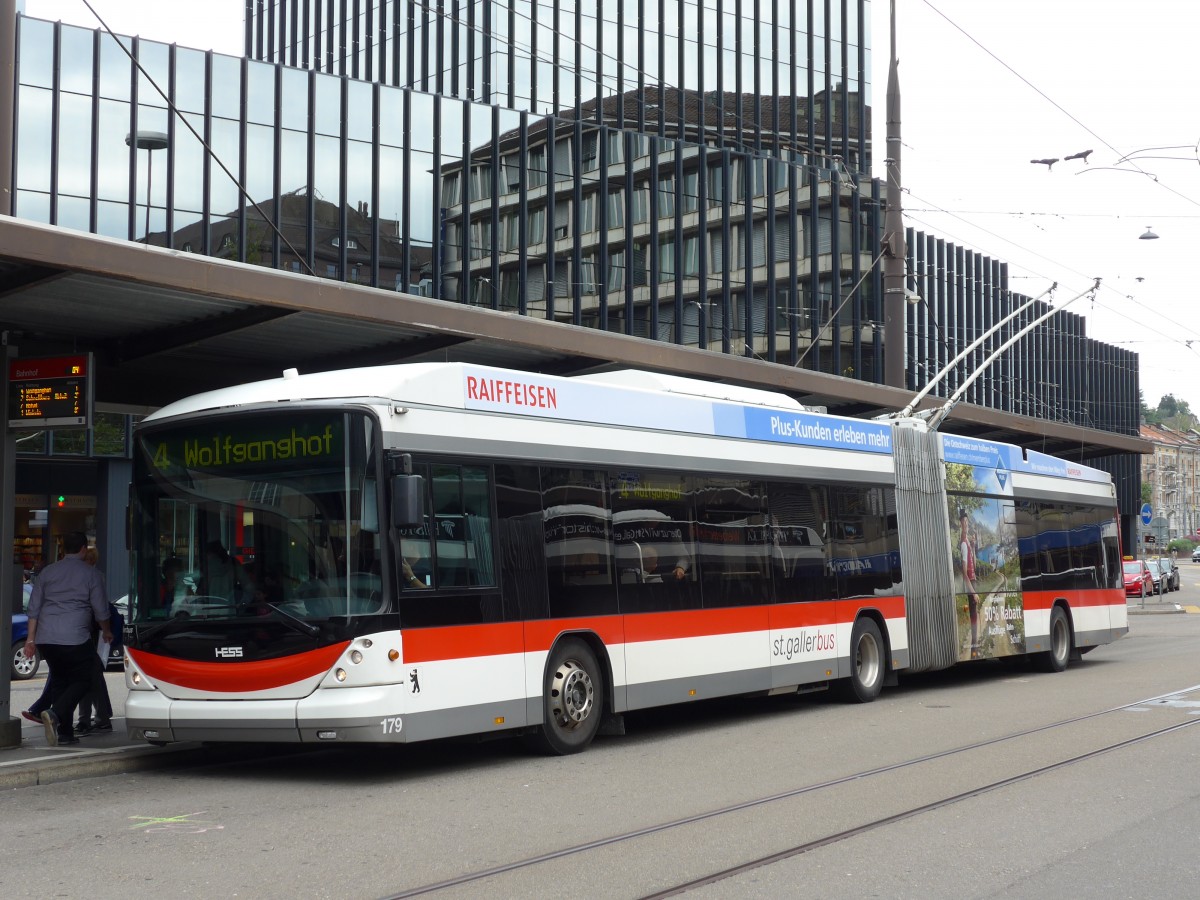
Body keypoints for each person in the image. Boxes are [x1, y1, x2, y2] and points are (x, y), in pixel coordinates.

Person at [24, 531, 112, 747]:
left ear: (63, 549)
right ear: (83, 549)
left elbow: (34, 608)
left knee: (60, 681)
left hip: (46, 638)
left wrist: (30, 639)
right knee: (85, 679)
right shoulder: (90, 574)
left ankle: (64, 733)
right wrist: (107, 631)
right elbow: (101, 609)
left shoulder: (47, 572)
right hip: (74, 637)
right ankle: (54, 713)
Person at [957, 509, 980, 658]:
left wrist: (973, 546)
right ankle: (974, 650)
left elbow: (975, 566)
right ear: (960, 525)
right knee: (973, 617)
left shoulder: (967, 544)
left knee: (975, 616)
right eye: (964, 522)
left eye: (967, 522)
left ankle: (975, 648)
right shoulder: (963, 544)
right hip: (970, 583)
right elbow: (965, 573)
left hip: (973, 581)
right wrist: (974, 592)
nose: (966, 524)